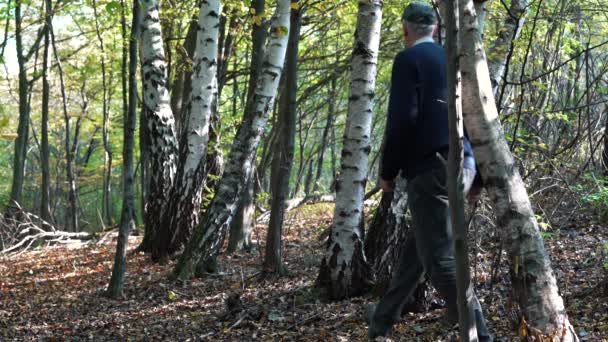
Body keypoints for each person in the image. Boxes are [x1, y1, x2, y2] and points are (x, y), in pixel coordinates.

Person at [366, 2, 492, 341]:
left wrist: (388, 171)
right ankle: (380, 324)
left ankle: (481, 334)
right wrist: (477, 174)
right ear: (435, 28)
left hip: (431, 167)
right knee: (416, 252)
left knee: (441, 262)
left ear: (405, 29)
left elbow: (402, 120)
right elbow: (477, 116)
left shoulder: (408, 60)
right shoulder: (452, 58)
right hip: (461, 165)